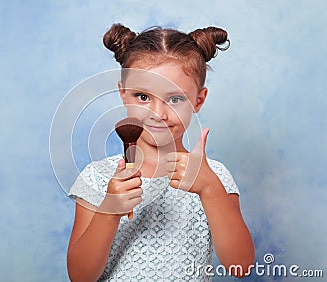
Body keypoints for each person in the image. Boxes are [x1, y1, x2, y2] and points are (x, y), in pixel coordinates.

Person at [67, 23, 254, 281]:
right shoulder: (98, 177)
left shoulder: (214, 176)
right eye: (143, 97)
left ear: (198, 101)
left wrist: (210, 188)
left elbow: (240, 266)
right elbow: (79, 276)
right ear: (123, 94)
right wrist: (109, 210)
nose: (158, 114)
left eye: (175, 99)